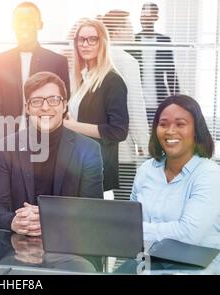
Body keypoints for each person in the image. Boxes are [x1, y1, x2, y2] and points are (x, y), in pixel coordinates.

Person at [0, 71, 103, 236]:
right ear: (27, 108)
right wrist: (12, 221)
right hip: (17, 244)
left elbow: (93, 210)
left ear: (64, 106)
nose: (45, 107)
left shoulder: (88, 150)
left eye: (53, 100)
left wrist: (48, 217)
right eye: (36, 101)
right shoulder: (6, 148)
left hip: (70, 245)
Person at [131, 94, 220, 248]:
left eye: (180, 124)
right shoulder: (146, 170)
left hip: (196, 268)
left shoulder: (209, 174)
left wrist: (135, 230)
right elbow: (129, 219)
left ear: (196, 131)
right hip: (147, 262)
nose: (170, 131)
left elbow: (189, 233)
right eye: (163, 124)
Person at [0, 2, 70, 142]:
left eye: (30, 21)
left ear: (40, 24)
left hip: (47, 145)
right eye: (19, 21)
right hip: (8, 144)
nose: (24, 25)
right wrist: (11, 138)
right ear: (13, 25)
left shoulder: (57, 61)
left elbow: (62, 104)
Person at [64, 19, 129, 196]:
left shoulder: (112, 81)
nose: (85, 44)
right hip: (79, 167)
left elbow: (118, 131)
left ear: (103, 43)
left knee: (98, 224)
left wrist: (72, 126)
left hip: (99, 173)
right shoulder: (84, 78)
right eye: (81, 39)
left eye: (92, 39)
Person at [101, 10, 149, 194]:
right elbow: (134, 105)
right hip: (121, 147)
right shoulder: (127, 61)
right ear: (117, 31)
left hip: (93, 146)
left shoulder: (94, 59)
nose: (133, 31)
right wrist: (144, 144)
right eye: (129, 26)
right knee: (125, 201)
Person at [132, 2, 180, 126]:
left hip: (158, 101)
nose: (144, 18)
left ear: (156, 17)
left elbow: (171, 72)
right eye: (143, 15)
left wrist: (178, 99)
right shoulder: (133, 40)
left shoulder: (164, 41)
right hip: (137, 102)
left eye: (148, 15)